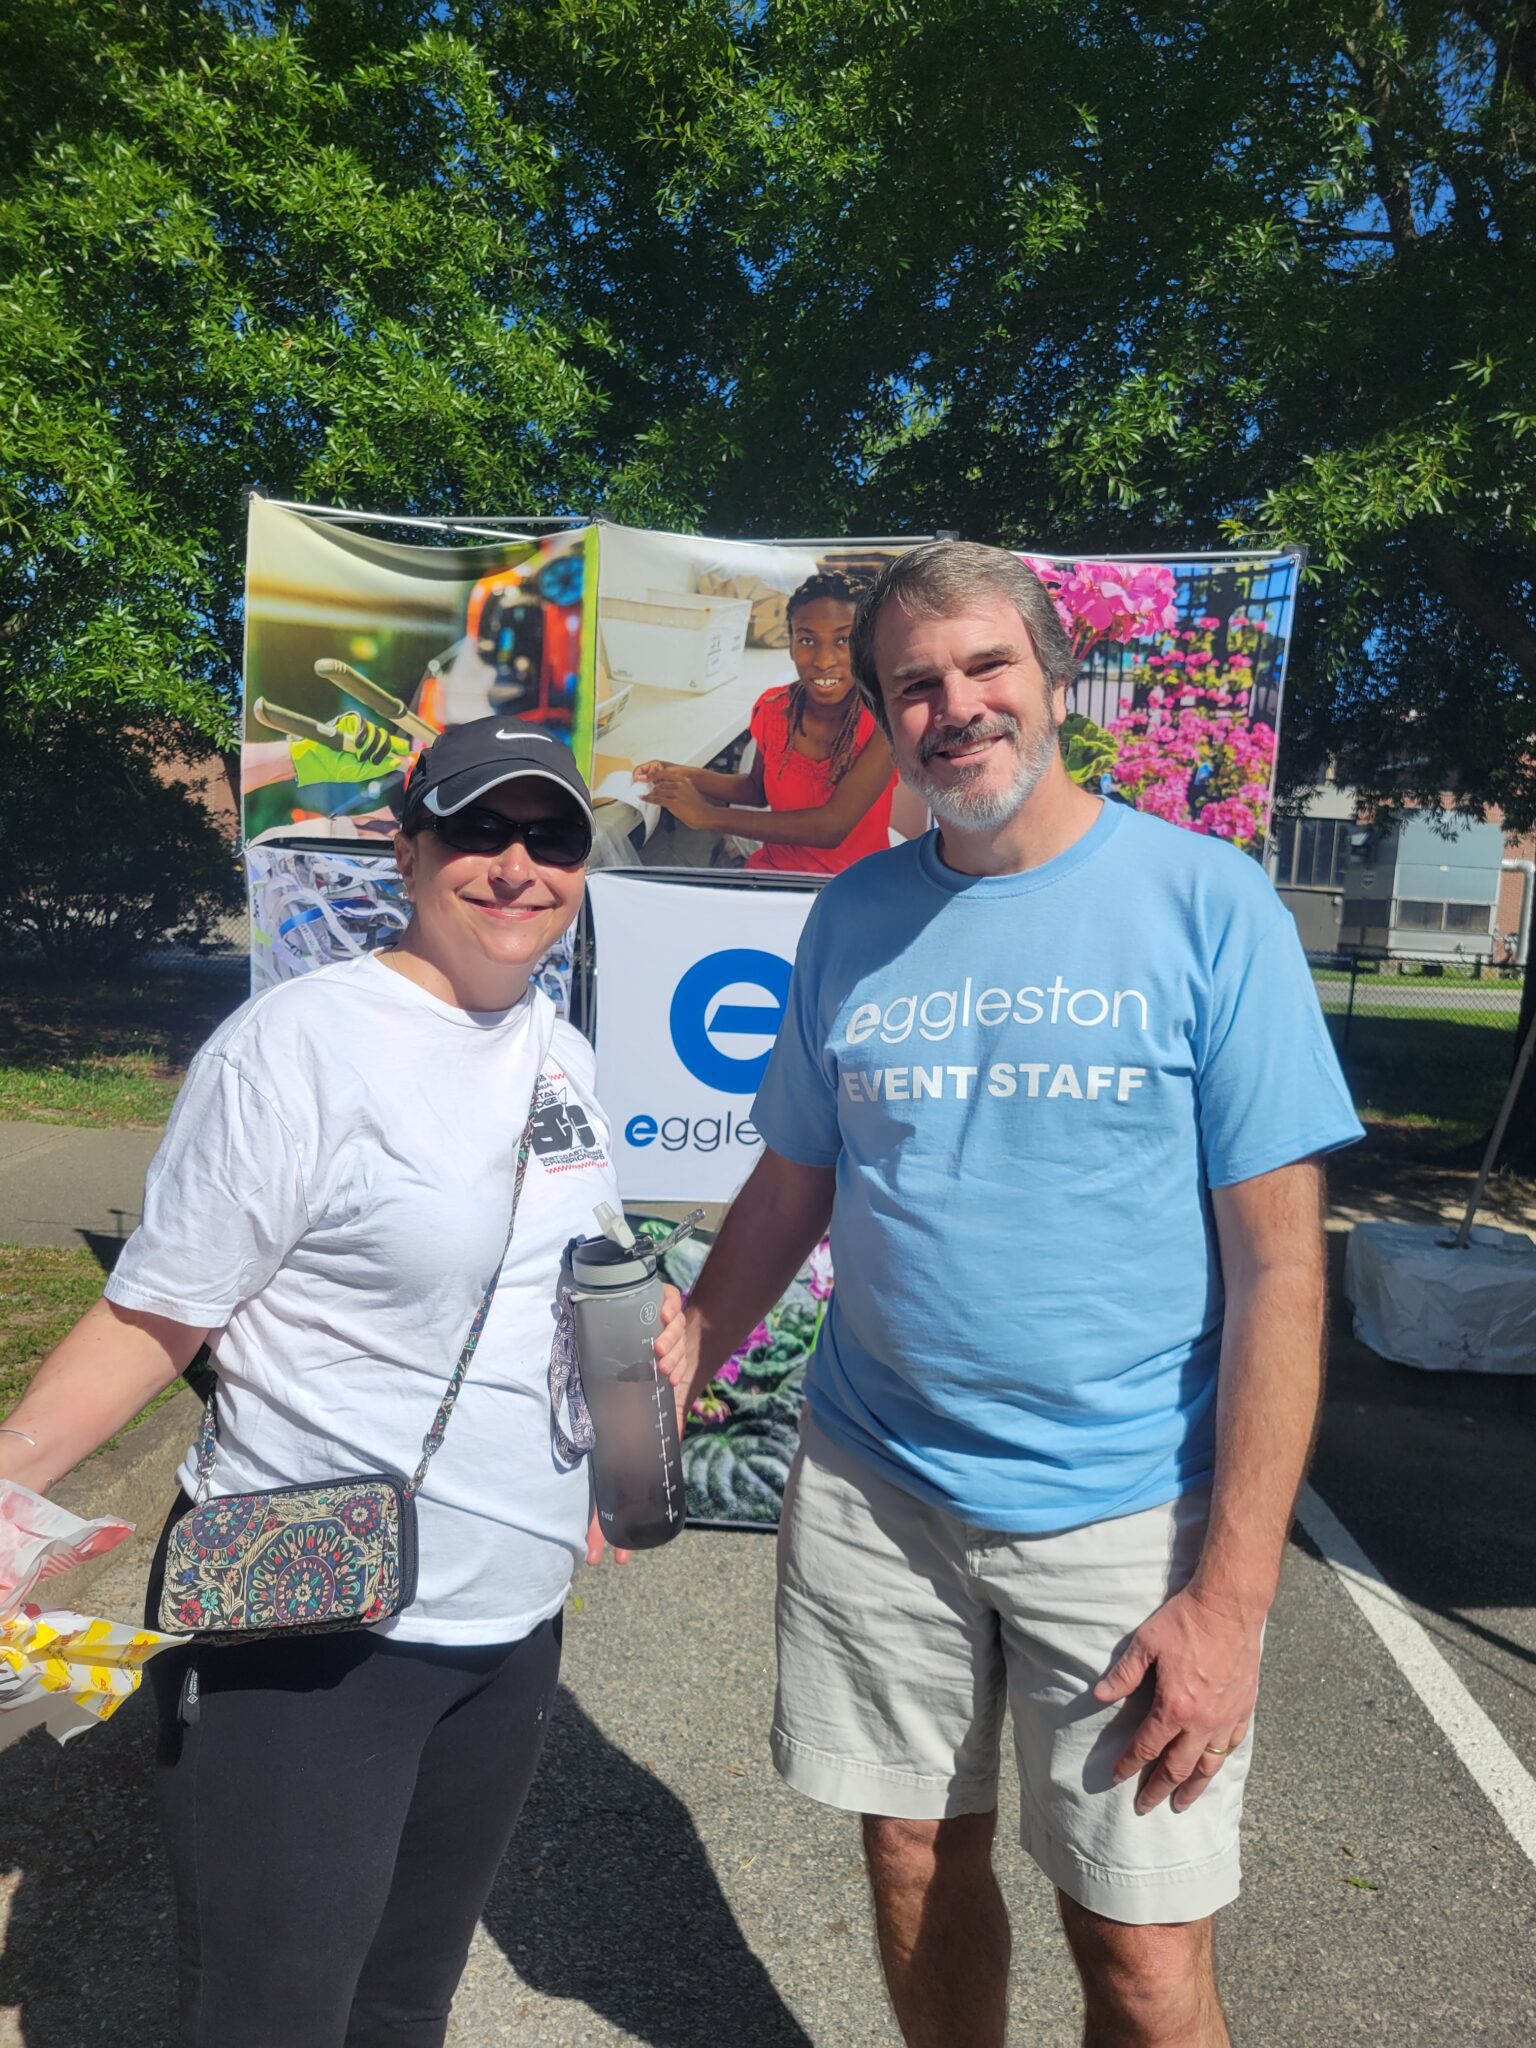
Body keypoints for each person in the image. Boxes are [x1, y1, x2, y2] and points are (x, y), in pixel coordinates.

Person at [655, 543, 1363, 2048]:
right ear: (885, 714)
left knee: (1142, 1955)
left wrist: (1232, 1601)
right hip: (878, 1487)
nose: (956, 706)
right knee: (914, 1854)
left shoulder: (1209, 904)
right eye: (917, 683)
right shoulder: (853, 918)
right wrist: (691, 1343)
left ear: (1056, 679)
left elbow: (1283, 1266)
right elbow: (794, 1179)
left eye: (987, 666)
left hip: (1125, 1508)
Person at [0, 717, 673, 2048]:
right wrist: (8, 1490)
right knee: (276, 2018)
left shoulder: (563, 1049)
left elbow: (543, 1293)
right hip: (316, 1621)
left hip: (511, 1618)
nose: (517, 865)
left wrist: (611, 1444)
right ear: (407, 848)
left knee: (403, 2008)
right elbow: (156, 1314)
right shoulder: (298, 1047)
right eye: (478, 829)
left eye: (552, 838)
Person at [636, 569, 897, 873]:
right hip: (774, 873)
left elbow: (832, 827)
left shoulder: (883, 721)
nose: (824, 661)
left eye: (843, 640)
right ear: (791, 645)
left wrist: (708, 815)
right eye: (807, 640)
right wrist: (685, 774)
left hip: (855, 883)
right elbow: (756, 790)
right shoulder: (775, 709)